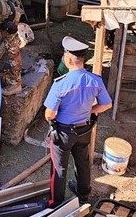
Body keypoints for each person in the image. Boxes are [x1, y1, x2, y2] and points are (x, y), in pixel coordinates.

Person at [44, 36, 113, 207]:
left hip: (63, 133)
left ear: (67, 58)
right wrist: (90, 110)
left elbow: (50, 114)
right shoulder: (95, 80)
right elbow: (107, 104)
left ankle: (56, 203)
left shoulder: (61, 84)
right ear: (83, 59)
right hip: (84, 130)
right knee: (82, 163)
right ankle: (83, 196)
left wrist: (52, 118)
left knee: (59, 168)